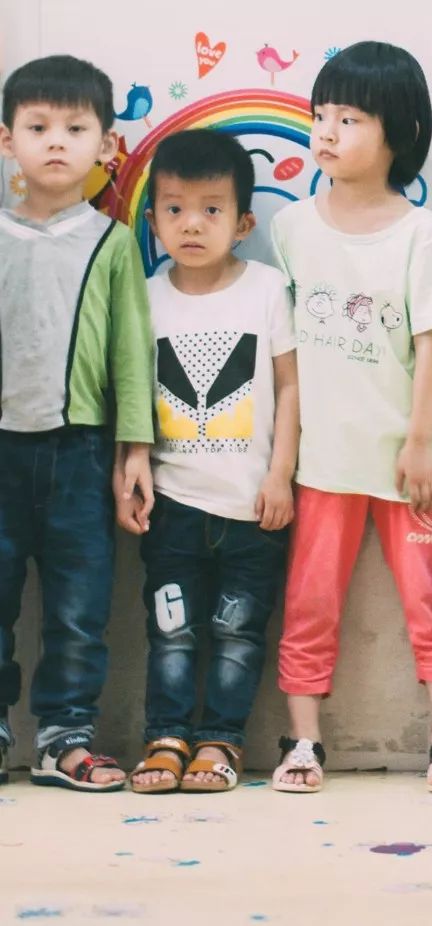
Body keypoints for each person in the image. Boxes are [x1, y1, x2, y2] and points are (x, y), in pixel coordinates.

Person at [270, 41, 432, 794]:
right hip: (322, 462)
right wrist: (281, 460)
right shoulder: (289, 228)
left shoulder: (423, 236)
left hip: (408, 461)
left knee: (431, 599)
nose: (325, 131)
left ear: (399, 132)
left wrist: (421, 444)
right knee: (309, 599)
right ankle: (303, 743)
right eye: (320, 114)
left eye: (348, 117)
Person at [124, 130, 298, 794]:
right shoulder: (144, 296)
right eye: (173, 209)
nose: (191, 223)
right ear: (153, 219)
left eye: (211, 208)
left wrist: (280, 473)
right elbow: (135, 393)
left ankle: (221, 742)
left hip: (253, 507)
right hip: (172, 506)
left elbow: (290, 385)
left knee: (237, 634)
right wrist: (133, 463)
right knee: (170, 631)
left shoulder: (267, 290)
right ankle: (164, 738)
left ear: (244, 221)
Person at [0, 55, 153, 792]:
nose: (55, 142)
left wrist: (134, 454)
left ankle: (65, 737)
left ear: (106, 145)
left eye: (74, 127)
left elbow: (131, 356)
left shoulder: (111, 241)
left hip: (82, 455)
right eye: (37, 127)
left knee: (77, 609)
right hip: (1, 450)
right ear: (7, 141)